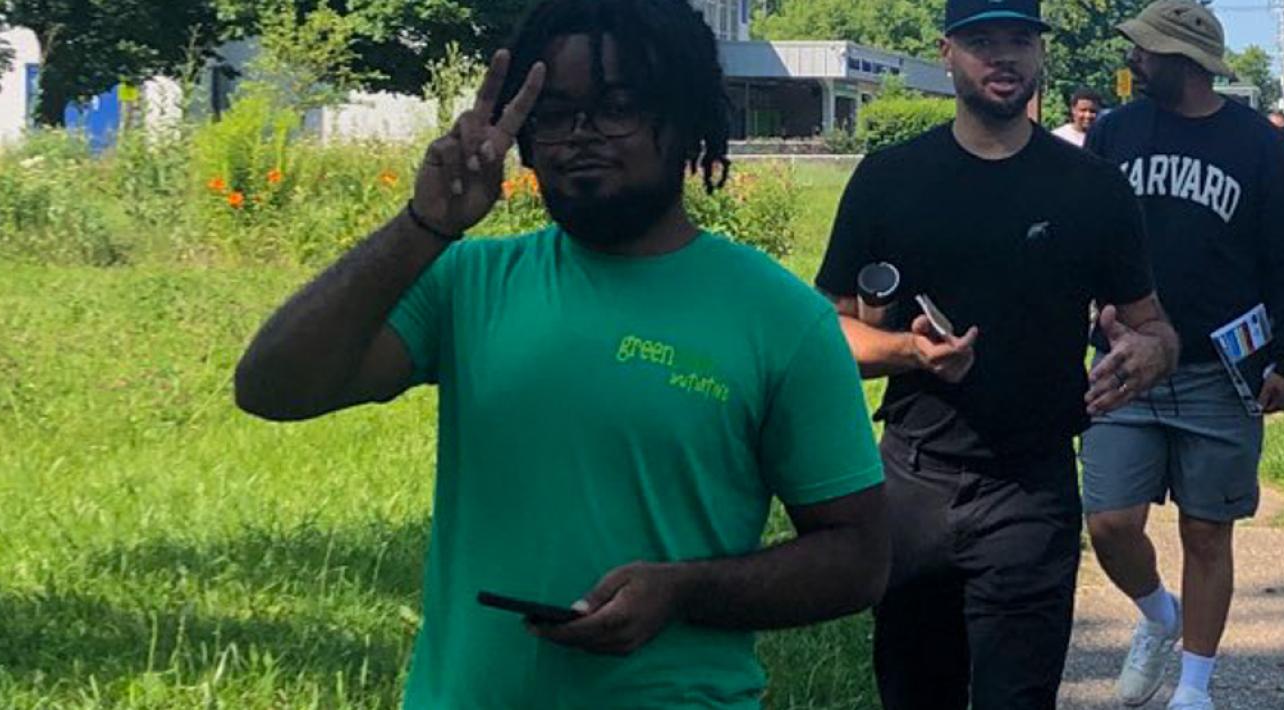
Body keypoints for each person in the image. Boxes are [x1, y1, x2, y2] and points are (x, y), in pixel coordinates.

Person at [229, 1, 891, 707]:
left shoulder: (782, 320)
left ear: (691, 120)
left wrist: (685, 591)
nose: (580, 136)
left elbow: (856, 558)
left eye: (618, 107)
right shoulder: (467, 284)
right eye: (556, 113)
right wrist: (424, 226)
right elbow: (273, 387)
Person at [815, 0, 1183, 706]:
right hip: (912, 482)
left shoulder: (1091, 188)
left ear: (1041, 53)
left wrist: (1150, 355)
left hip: (1031, 487)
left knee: (1019, 697)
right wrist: (906, 350)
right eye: (982, 40)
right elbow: (826, 330)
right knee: (916, 693)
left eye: (1019, 38)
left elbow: (1154, 325)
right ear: (947, 51)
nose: (1002, 56)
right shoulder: (890, 178)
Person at [1077, 2, 1284, 708]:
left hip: (1224, 370)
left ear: (1180, 60)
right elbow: (1086, 236)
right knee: (1109, 523)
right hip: (1124, 365)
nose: (1133, 60)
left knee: (1208, 531)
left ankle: (1194, 688)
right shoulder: (1115, 134)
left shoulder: (1259, 145)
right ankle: (1159, 616)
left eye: (1145, 52)